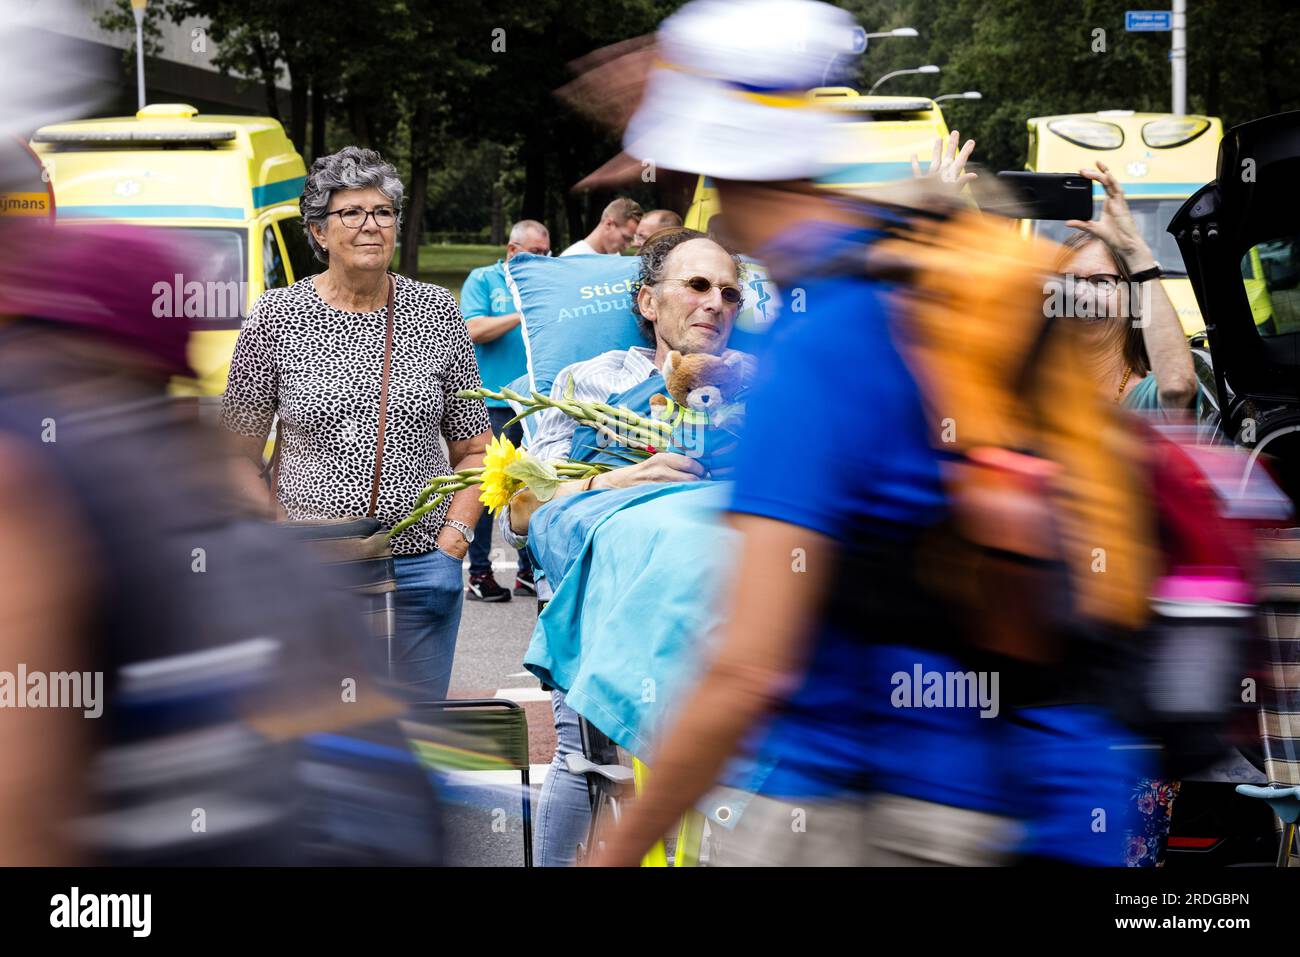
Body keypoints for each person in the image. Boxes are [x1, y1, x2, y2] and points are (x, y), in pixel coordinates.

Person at [587, 0, 1028, 867]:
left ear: (714, 169)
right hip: (979, 783)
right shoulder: (899, 282)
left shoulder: (812, 352)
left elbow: (748, 670)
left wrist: (608, 854)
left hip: (859, 813)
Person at [503, 226, 756, 866]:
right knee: (584, 759)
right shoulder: (591, 381)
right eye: (696, 285)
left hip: (731, 597)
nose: (715, 304)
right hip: (610, 587)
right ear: (647, 302)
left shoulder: (766, 388)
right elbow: (523, 512)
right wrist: (621, 477)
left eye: (729, 293)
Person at [221, 146, 491, 701]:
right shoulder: (276, 318)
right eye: (352, 213)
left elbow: (475, 450)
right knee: (319, 734)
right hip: (314, 569)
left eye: (383, 212)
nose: (371, 226)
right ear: (319, 232)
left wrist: (453, 546)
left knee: (418, 740)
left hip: (420, 567)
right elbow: (234, 455)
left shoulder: (438, 312)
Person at [460, 219, 550, 602]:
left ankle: (528, 572)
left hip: (536, 405)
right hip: (494, 403)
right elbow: (474, 328)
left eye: (548, 254)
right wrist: (524, 314)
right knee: (487, 490)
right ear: (513, 251)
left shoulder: (545, 282)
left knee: (536, 487)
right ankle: (480, 572)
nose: (544, 260)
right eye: (537, 253)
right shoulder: (484, 279)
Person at [1061, 162, 1197, 413]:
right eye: (1068, 281)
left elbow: (1178, 388)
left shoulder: (1147, 396)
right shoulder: (1035, 388)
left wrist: (1136, 253)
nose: (1080, 296)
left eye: (1101, 282)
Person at [560, 196, 643, 256]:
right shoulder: (572, 258)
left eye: (630, 240)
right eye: (625, 238)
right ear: (609, 224)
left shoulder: (615, 257)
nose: (628, 246)